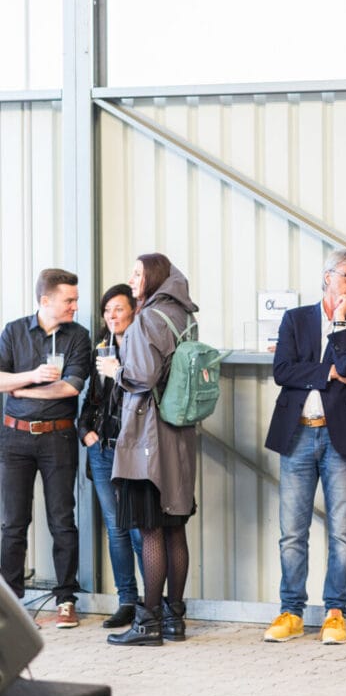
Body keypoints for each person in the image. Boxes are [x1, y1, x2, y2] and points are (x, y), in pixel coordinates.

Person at [263, 248, 346, 645]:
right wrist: (327, 371)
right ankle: (291, 610)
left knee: (342, 530)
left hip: (340, 436)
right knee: (292, 530)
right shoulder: (296, 318)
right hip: (298, 433)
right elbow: (282, 371)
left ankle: (335, 612)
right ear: (327, 276)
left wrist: (340, 323)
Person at [103, 253, 199, 647]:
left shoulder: (147, 319)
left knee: (151, 530)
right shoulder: (186, 317)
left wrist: (116, 371)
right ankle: (175, 619)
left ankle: (148, 624)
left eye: (138, 273)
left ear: (154, 277)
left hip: (148, 439)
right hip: (179, 436)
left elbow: (141, 377)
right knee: (175, 528)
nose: (132, 278)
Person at [0, 268, 90, 627]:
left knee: (62, 520)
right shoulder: (14, 331)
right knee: (12, 523)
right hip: (15, 438)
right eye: (69, 300)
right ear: (45, 300)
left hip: (58, 437)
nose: (75, 305)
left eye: (75, 299)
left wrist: (20, 391)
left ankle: (66, 600)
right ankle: (11, 606)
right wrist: (31, 377)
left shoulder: (78, 336)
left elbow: (72, 387)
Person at [78, 283, 143, 628]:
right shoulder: (102, 349)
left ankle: (151, 601)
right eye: (107, 311)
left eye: (118, 309)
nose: (112, 316)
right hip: (101, 449)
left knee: (138, 528)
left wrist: (119, 370)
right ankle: (127, 600)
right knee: (115, 527)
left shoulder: (142, 348)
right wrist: (83, 429)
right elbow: (92, 398)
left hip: (131, 451)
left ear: (133, 310)